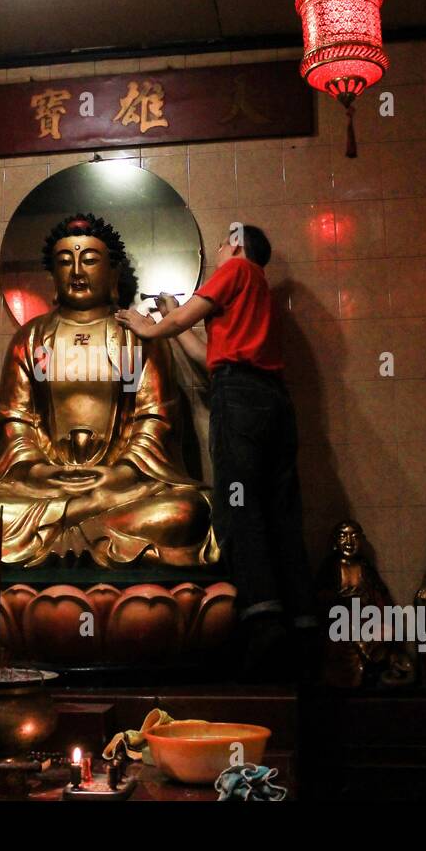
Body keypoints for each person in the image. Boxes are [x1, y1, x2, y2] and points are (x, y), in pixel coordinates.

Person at [115, 225, 317, 679]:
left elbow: (185, 322)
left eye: (225, 243)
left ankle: (263, 625)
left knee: (238, 508)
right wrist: (168, 320)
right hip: (273, 401)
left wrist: (149, 326)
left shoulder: (238, 269)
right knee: (279, 511)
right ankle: (303, 626)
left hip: (240, 398)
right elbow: (206, 353)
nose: (222, 250)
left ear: (239, 245)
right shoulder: (259, 291)